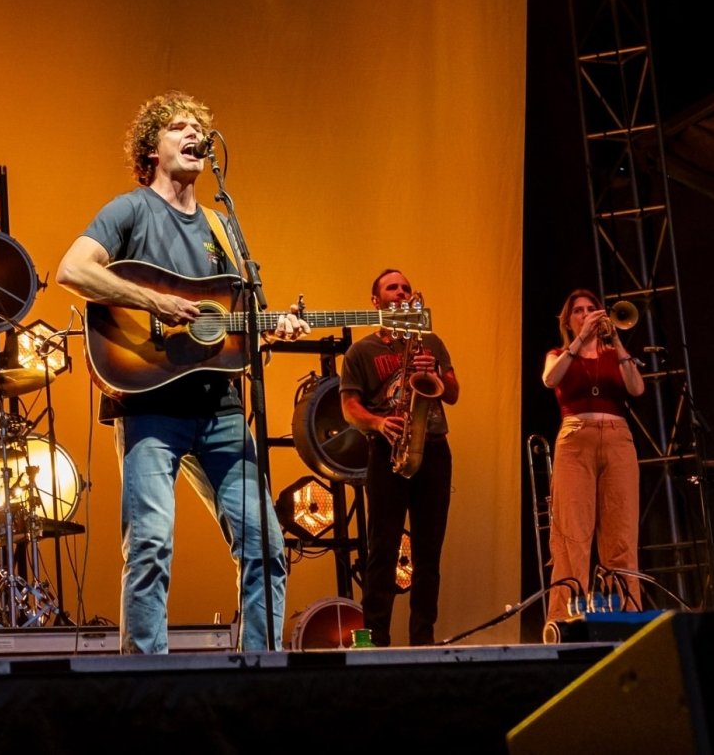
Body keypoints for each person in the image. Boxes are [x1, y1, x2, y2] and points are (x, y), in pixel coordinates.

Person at [55, 90, 308, 654]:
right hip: (150, 408)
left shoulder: (223, 228)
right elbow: (71, 269)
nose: (194, 134)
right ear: (152, 148)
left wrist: (274, 326)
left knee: (265, 543)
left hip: (219, 409)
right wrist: (154, 303)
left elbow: (234, 320)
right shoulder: (130, 210)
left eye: (200, 128)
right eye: (179, 127)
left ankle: (257, 669)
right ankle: (147, 679)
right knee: (149, 545)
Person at [339, 269, 459, 647]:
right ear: (376, 301)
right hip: (388, 452)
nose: (402, 292)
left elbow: (452, 392)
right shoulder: (362, 351)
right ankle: (374, 640)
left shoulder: (431, 342)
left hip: (434, 449)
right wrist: (377, 422)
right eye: (393, 287)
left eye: (406, 287)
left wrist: (436, 371)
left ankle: (423, 639)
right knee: (383, 551)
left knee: (429, 555)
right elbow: (348, 407)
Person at [541, 288, 645, 628]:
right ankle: (565, 620)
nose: (587, 314)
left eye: (592, 309)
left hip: (617, 439)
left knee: (621, 533)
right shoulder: (558, 353)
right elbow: (549, 379)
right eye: (579, 311)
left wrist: (617, 343)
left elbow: (637, 389)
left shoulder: (615, 354)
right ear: (568, 321)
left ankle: (627, 620)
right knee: (572, 534)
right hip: (575, 440)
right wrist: (579, 343)